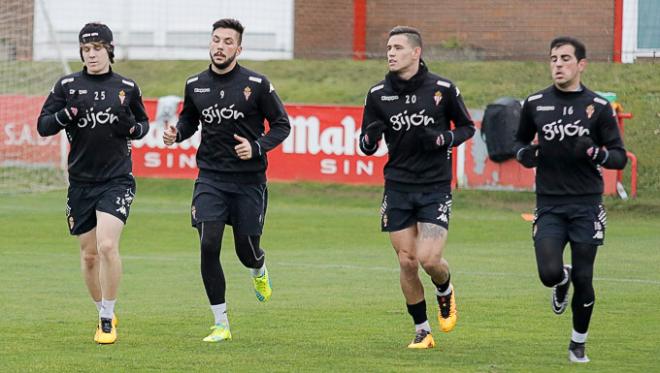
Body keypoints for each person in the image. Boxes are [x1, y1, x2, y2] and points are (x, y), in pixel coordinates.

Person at [162, 18, 290, 343]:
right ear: (210, 43)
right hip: (211, 179)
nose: (220, 46)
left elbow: (281, 124)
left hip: (249, 182)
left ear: (239, 48)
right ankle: (221, 322)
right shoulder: (195, 84)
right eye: (216, 40)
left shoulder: (257, 84)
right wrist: (177, 133)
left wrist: (257, 146)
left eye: (227, 42)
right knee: (208, 244)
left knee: (246, 251)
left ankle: (258, 269)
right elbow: (190, 119)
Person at [359, 26, 475, 349]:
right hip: (397, 187)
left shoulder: (442, 89)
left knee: (429, 259)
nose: (390, 53)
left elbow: (467, 127)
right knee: (407, 261)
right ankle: (422, 330)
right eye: (388, 48)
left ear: (416, 52)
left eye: (397, 47)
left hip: (434, 186)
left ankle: (445, 289)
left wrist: (444, 138)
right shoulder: (377, 94)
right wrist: (370, 137)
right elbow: (366, 143)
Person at [515, 36, 627, 363]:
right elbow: (519, 144)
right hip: (549, 203)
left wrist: (594, 152)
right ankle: (559, 280)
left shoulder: (599, 107)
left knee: (585, 277)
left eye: (565, 58)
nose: (558, 64)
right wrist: (526, 154)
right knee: (549, 273)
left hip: (586, 205)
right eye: (553, 58)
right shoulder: (535, 103)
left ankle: (578, 342)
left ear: (581, 65)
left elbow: (619, 157)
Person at [37, 22, 150, 344]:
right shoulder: (67, 86)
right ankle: (103, 308)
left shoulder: (127, 86)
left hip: (117, 180)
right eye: (86, 49)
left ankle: (105, 319)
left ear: (109, 50)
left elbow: (142, 126)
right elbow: (44, 125)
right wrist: (66, 114)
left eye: (97, 48)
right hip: (81, 183)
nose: (92, 55)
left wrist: (132, 128)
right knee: (89, 255)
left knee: (107, 245)